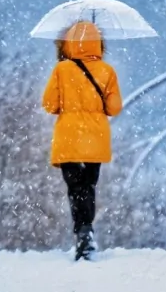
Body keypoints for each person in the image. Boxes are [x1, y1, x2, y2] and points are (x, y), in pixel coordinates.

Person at [42, 20, 123, 261]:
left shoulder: (62, 70)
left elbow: (49, 104)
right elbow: (114, 107)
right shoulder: (107, 71)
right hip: (95, 138)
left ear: (67, 43)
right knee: (88, 187)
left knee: (75, 188)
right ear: (98, 44)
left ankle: (83, 232)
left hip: (69, 138)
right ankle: (86, 231)